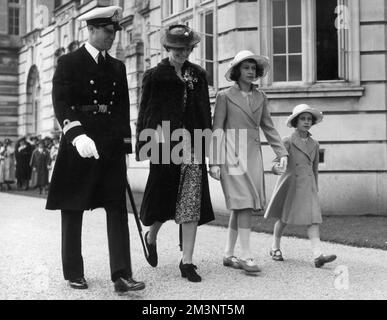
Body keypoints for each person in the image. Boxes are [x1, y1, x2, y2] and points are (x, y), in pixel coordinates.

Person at [45, 6, 145, 294]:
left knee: (116, 208)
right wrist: (76, 134)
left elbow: (123, 108)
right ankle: (74, 272)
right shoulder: (69, 62)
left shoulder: (117, 67)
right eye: (106, 31)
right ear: (90, 30)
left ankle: (122, 275)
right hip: (80, 143)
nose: (111, 36)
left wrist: (125, 147)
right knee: (73, 207)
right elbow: (61, 102)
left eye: (114, 31)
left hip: (110, 146)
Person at [136, 24, 214, 282]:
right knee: (164, 201)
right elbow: (145, 112)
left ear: (191, 48)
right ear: (168, 48)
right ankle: (152, 235)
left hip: (193, 145)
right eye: (177, 49)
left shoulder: (199, 75)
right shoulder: (154, 76)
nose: (182, 53)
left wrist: (208, 146)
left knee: (190, 203)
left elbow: (205, 111)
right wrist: (145, 143)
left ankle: (187, 261)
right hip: (164, 145)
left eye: (186, 48)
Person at [209, 50, 288, 273]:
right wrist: (213, 162)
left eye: (254, 68)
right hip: (231, 154)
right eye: (246, 68)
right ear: (237, 71)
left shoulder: (261, 97)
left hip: (252, 155)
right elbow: (217, 129)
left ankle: (228, 254)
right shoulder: (224, 96)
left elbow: (268, 126)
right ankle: (246, 255)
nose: (251, 72)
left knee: (241, 206)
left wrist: (281, 152)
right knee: (243, 203)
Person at [264, 104, 337, 268]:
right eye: (303, 119)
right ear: (296, 122)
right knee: (284, 219)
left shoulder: (315, 144)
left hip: (308, 186)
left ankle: (318, 255)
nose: (306, 122)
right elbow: (275, 163)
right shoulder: (287, 141)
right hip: (291, 185)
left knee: (313, 220)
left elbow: (314, 168)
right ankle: (275, 247)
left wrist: (314, 188)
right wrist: (276, 168)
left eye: (309, 119)